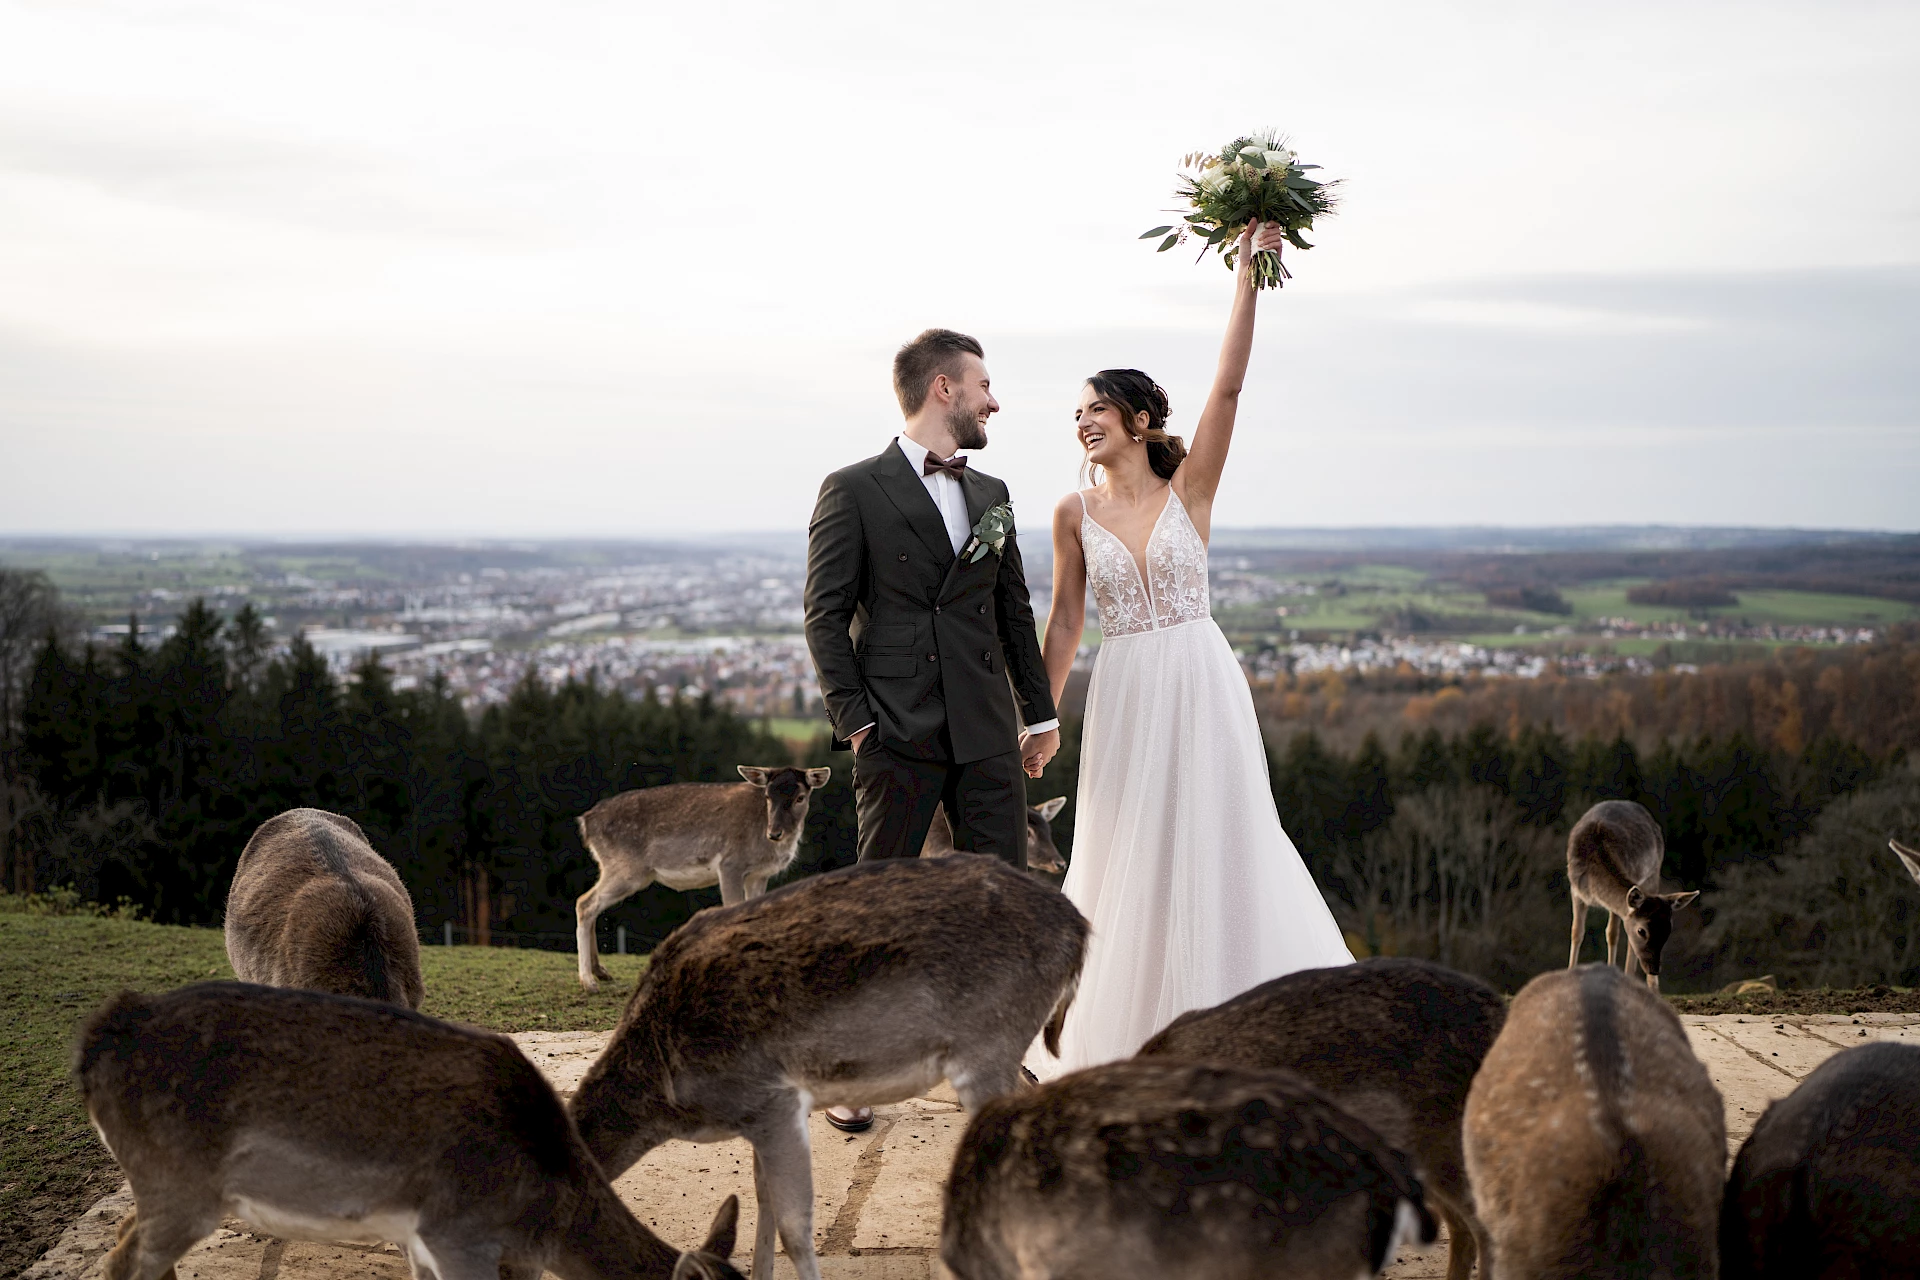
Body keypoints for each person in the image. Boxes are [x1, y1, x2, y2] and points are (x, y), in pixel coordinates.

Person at [1035, 223, 1354, 1075]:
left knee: (1219, 834)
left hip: (1199, 677)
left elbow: (1230, 387)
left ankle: (1243, 1015)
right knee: (1122, 845)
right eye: (1076, 416)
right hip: (1126, 687)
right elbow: (1066, 621)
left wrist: (1248, 275)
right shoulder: (1072, 513)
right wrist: (1040, 718)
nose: (1082, 424)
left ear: (1138, 420)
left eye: (1095, 409)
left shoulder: (1192, 488)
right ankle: (1111, 1032)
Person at [804, 327, 1062, 1128]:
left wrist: (1040, 712)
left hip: (987, 729)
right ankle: (848, 1068)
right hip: (896, 729)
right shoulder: (852, 487)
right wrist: (855, 724)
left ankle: (985, 1058)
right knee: (878, 904)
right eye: (984, 384)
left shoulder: (993, 494)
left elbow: (1012, 611)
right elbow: (825, 616)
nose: (995, 400)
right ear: (943, 389)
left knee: (997, 903)